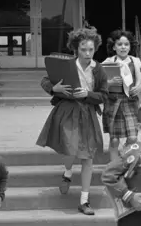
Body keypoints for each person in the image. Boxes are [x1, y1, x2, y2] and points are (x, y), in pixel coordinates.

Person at [36, 26, 108, 216]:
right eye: (83, 49)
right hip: (67, 112)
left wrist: (89, 94)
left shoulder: (98, 69)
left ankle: (84, 201)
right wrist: (55, 89)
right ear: (76, 49)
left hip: (88, 114)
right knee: (69, 151)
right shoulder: (66, 65)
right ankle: (67, 171)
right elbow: (45, 80)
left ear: (95, 49)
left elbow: (104, 95)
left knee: (87, 157)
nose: (87, 53)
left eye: (91, 49)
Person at [102, 29, 141, 162]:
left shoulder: (136, 62)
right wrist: (109, 82)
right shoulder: (107, 62)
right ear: (114, 47)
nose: (123, 47)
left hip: (131, 102)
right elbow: (98, 82)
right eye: (120, 44)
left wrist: (140, 87)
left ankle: (125, 160)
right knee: (114, 139)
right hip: (113, 103)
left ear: (130, 46)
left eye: (126, 44)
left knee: (133, 137)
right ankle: (114, 165)